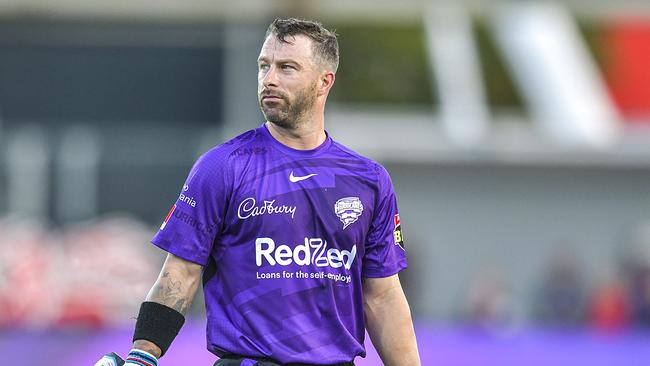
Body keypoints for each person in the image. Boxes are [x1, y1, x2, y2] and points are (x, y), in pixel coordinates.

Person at [96, 18, 420, 366]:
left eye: (287, 68)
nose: (270, 79)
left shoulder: (368, 179)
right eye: (264, 66)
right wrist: (142, 355)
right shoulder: (223, 166)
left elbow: (382, 295)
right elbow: (179, 274)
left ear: (324, 82)